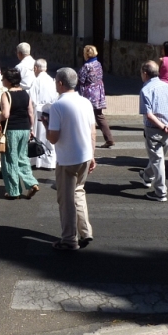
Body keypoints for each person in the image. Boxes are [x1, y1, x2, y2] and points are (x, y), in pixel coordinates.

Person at [41, 67, 96, 250]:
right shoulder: (85, 102)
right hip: (85, 155)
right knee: (79, 192)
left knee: (66, 200)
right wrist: (93, 155)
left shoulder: (58, 105)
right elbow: (92, 131)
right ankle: (85, 231)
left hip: (67, 158)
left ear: (61, 83)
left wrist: (46, 126)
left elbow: (54, 137)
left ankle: (69, 239)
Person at [138, 60, 168, 202]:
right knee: (158, 158)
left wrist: (163, 126)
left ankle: (160, 191)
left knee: (158, 160)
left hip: (155, 129)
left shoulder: (146, 90)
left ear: (145, 73)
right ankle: (147, 175)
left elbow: (149, 115)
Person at [0, 68, 39, 200]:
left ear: (9, 81)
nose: (2, 80)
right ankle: (31, 182)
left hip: (11, 129)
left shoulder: (6, 95)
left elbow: (6, 114)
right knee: (22, 157)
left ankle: (13, 191)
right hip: (25, 128)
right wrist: (31, 128)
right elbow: (31, 113)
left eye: (3, 78)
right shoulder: (26, 94)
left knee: (10, 160)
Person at [77, 44, 115, 149]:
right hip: (98, 92)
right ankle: (109, 138)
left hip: (89, 93)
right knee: (99, 115)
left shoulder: (86, 66)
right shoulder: (98, 63)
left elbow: (81, 80)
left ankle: (84, 139)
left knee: (85, 116)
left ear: (86, 54)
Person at [29, 59, 57, 169]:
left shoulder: (36, 81)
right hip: (50, 111)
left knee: (39, 136)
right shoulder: (52, 80)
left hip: (39, 111)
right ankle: (49, 161)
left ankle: (38, 160)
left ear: (36, 68)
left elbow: (32, 100)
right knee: (48, 137)